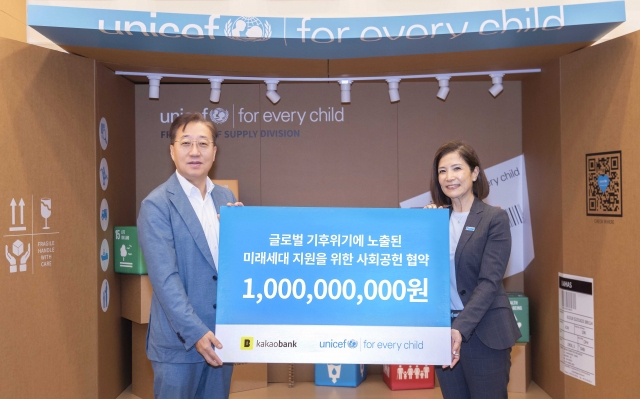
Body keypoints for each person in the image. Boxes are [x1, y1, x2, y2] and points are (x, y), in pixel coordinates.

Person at [138, 112, 242, 399]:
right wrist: (196, 332)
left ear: (214, 152)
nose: (195, 151)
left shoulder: (225, 198)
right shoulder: (156, 205)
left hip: (221, 339)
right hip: (179, 344)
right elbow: (164, 279)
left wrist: (243, 232)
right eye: (186, 143)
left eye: (203, 143)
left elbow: (230, 266)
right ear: (172, 151)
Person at [426, 140, 521, 399]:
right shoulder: (432, 220)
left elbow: (490, 282)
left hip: (484, 332)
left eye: (457, 168)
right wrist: (422, 226)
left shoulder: (494, 219)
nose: (449, 177)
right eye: (442, 171)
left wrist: (460, 327)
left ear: (475, 173)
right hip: (443, 331)